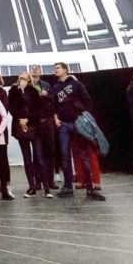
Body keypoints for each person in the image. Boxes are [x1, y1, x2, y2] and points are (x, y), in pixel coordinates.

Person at [51, 63, 103, 200]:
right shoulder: (55, 88)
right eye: (54, 68)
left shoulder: (76, 84)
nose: (55, 70)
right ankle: (68, 186)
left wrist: (84, 118)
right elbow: (54, 106)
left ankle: (90, 187)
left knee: (84, 155)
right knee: (65, 156)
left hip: (77, 123)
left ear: (65, 70)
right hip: (63, 124)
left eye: (58, 68)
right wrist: (56, 119)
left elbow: (88, 101)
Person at [9, 71, 53, 198]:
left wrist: (28, 119)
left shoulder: (33, 91)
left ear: (29, 79)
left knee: (39, 157)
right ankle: (31, 187)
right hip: (20, 127)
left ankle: (46, 188)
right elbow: (12, 107)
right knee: (26, 158)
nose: (23, 76)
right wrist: (20, 120)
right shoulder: (13, 90)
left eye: (26, 76)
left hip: (34, 126)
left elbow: (39, 108)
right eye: (21, 75)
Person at [29, 64, 57, 188]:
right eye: (32, 68)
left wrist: (47, 95)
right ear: (30, 72)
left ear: (40, 72)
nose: (35, 70)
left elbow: (54, 100)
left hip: (47, 122)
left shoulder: (46, 85)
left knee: (49, 152)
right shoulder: (27, 86)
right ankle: (38, 181)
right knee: (37, 153)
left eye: (37, 68)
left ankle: (50, 181)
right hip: (35, 123)